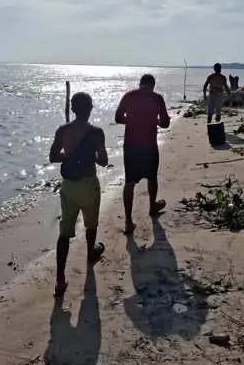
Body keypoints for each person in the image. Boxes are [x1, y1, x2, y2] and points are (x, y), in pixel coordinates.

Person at [49, 92, 108, 298]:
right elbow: (103, 161)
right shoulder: (96, 132)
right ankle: (90, 253)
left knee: (65, 231)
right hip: (89, 184)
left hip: (69, 186)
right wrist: (90, 155)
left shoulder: (63, 130)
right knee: (91, 225)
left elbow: (53, 157)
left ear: (72, 109)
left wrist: (69, 154)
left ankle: (60, 279)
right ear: (90, 109)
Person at [115, 74, 170, 234]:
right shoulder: (157, 98)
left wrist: (132, 120)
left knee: (129, 182)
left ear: (140, 84)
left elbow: (118, 118)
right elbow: (165, 123)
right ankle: (152, 206)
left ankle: (128, 221)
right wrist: (154, 121)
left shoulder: (129, 96)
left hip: (131, 146)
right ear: (153, 85)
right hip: (149, 145)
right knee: (152, 177)